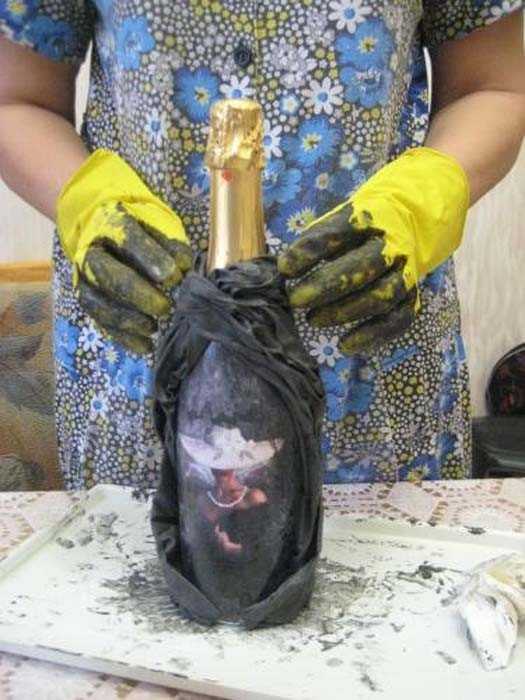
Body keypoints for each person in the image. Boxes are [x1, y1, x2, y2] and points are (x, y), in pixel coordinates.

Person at [0, 1, 523, 490]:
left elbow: (491, 86)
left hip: (371, 356)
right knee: (150, 556)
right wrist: (87, 202)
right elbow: (17, 99)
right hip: (146, 361)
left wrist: (420, 202)